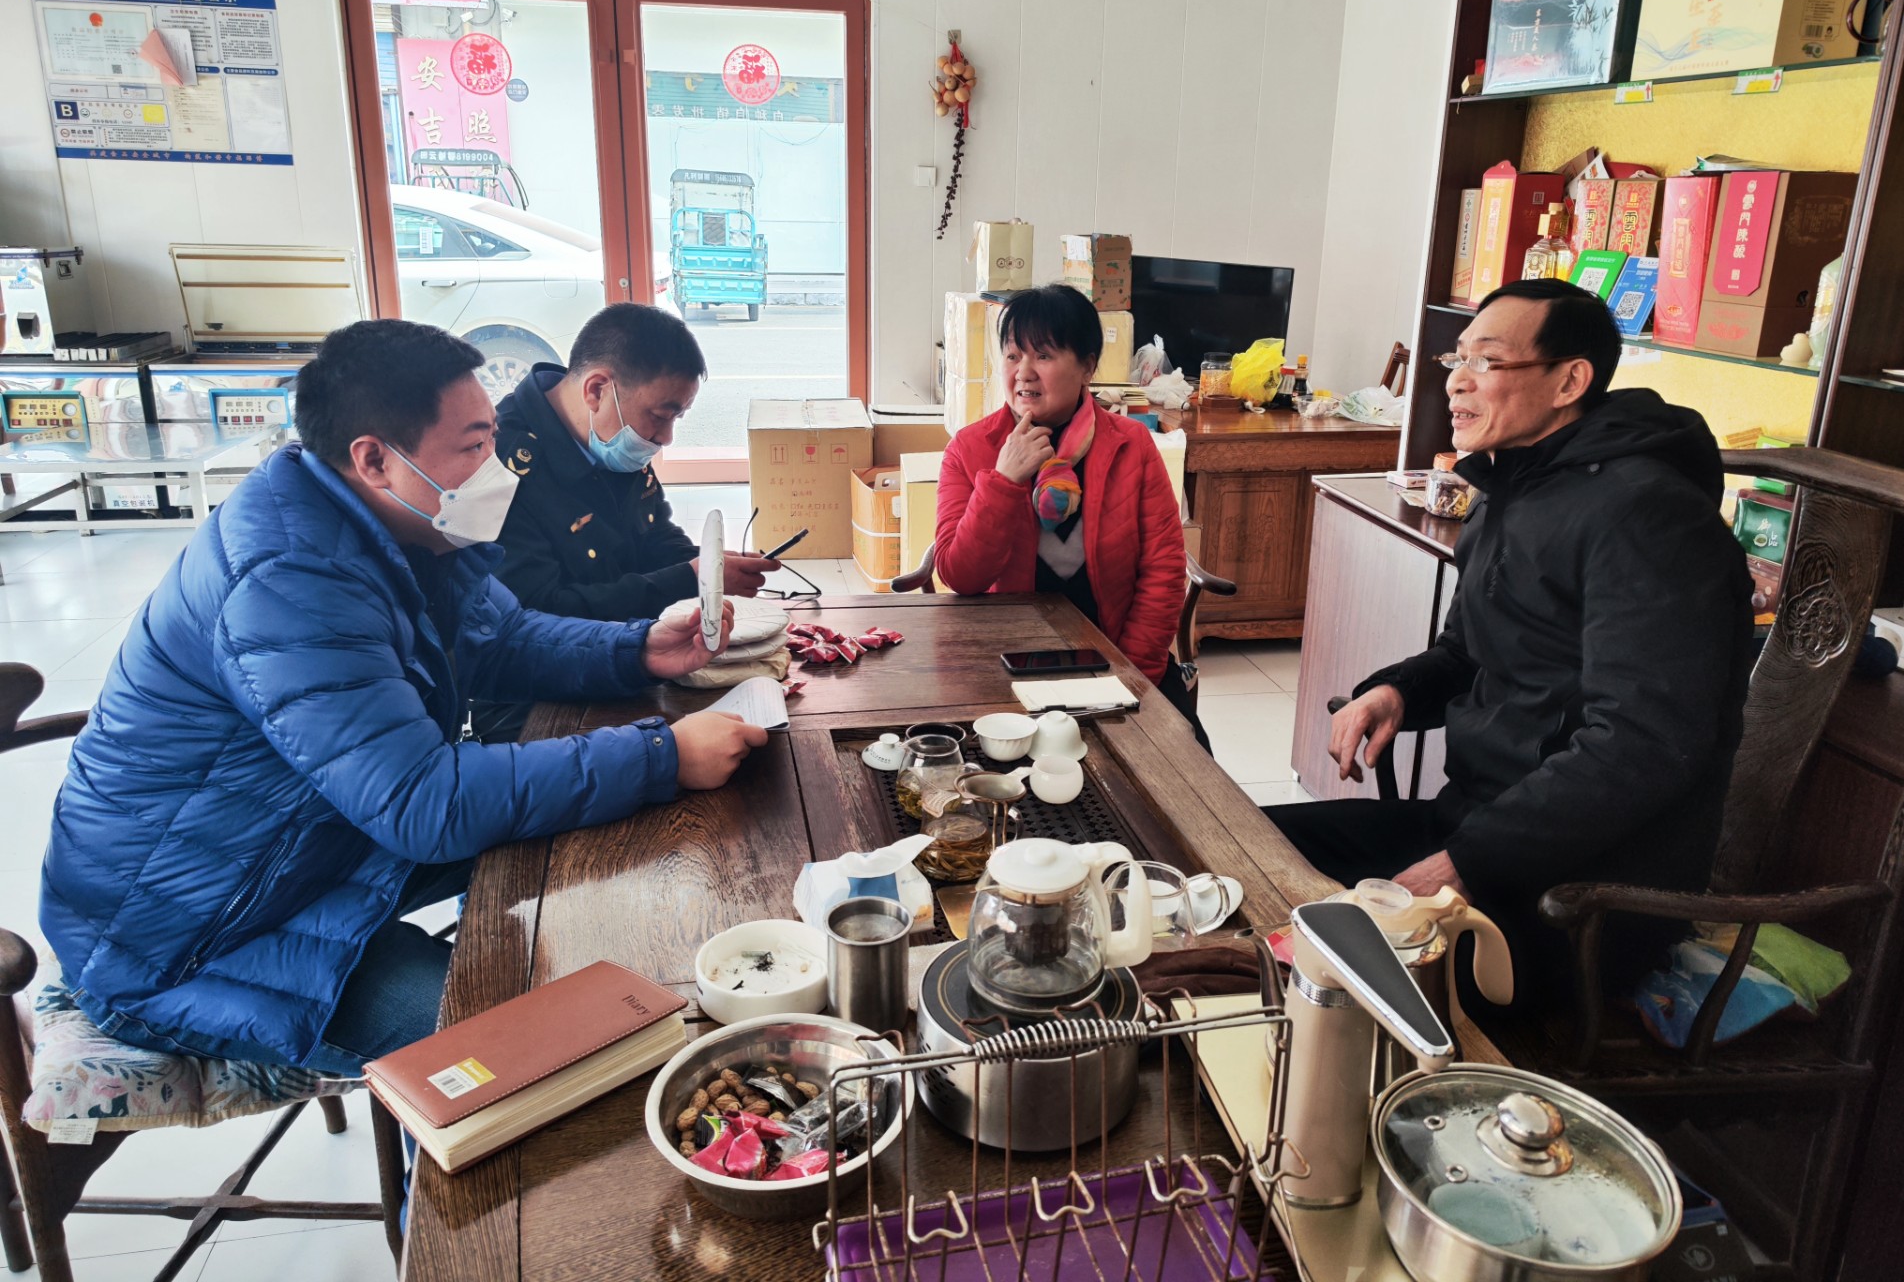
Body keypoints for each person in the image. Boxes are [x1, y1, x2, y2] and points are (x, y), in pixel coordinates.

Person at [38, 319, 768, 1075]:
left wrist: (636, 648)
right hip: (194, 934)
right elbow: (424, 803)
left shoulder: (405, 527)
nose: (495, 468)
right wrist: (661, 755)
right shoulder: (289, 579)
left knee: (611, 860)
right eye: (473, 447)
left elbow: (505, 637)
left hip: (318, 845)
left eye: (491, 440)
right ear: (375, 459)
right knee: (545, 1053)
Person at [1274, 278, 1753, 1005]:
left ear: (1569, 381)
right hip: (1474, 828)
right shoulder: (1512, 488)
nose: (1457, 382)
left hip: (1580, 898)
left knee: (1312, 970)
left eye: (1487, 362)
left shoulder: (1649, 516)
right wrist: (1394, 691)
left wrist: (1467, 865)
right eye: (1456, 359)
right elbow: (1466, 653)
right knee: (1240, 853)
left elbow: (1642, 744)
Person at [933, 285, 1199, 739]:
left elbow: (1163, 570)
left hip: (1118, 655)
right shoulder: (970, 448)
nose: (1023, 372)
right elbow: (960, 575)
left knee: (1189, 765)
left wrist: (1128, 675)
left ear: (1088, 367)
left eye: (1044, 355)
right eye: (1013, 355)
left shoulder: (1131, 446)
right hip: (1004, 664)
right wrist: (1003, 481)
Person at [492, 302, 780, 620]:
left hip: (634, 635)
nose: (666, 438)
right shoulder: (501, 464)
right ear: (597, 390)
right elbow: (541, 612)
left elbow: (654, 534)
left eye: (677, 417)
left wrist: (709, 564)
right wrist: (688, 579)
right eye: (659, 416)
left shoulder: (609, 435)